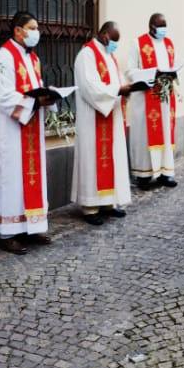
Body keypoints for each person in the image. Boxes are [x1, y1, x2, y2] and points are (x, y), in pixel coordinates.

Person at [0, 11, 59, 255]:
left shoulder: (32, 58)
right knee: (12, 179)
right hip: (11, 131)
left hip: (31, 127)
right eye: (32, 27)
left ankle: (32, 226)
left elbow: (35, 87)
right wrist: (34, 102)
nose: (36, 32)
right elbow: (2, 96)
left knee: (31, 177)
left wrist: (48, 98)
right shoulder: (2, 58)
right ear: (18, 30)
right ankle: (8, 233)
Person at [72, 21, 133, 225]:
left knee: (111, 158)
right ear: (105, 35)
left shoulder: (109, 55)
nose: (115, 44)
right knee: (92, 159)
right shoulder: (86, 55)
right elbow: (90, 86)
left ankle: (107, 203)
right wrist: (118, 91)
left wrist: (127, 87)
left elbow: (117, 80)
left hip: (110, 114)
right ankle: (90, 207)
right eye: (114, 40)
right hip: (93, 117)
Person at [126, 13, 179, 190]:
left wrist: (173, 73)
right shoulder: (138, 43)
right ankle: (144, 174)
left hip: (165, 97)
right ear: (151, 26)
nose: (163, 30)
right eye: (160, 26)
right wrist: (150, 74)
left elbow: (174, 65)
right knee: (144, 135)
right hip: (145, 98)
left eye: (165, 25)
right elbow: (130, 71)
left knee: (165, 133)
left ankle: (166, 173)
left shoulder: (169, 44)